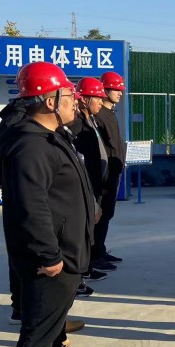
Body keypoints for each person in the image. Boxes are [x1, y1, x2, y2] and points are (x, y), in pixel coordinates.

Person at [0, 62, 94, 347]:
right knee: (37, 336)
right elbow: (30, 206)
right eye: (68, 95)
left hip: (65, 253)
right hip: (49, 261)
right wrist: (48, 255)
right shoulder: (30, 144)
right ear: (49, 101)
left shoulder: (51, 135)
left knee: (49, 330)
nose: (74, 101)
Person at [70, 78, 114, 282]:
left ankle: (87, 265)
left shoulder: (91, 121)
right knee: (83, 230)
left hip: (96, 183)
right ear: (85, 100)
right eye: (97, 98)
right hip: (87, 185)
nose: (100, 102)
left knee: (91, 228)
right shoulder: (78, 125)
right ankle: (83, 269)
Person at [92, 71, 126, 269]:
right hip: (104, 176)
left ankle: (101, 249)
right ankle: (95, 255)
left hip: (113, 173)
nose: (120, 93)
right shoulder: (99, 116)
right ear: (104, 90)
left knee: (107, 214)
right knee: (100, 215)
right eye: (116, 89)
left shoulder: (110, 114)